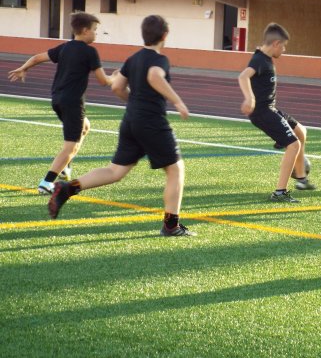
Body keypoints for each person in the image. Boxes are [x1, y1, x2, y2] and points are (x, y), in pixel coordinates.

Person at [48, 15, 196, 237]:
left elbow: (117, 86)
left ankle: (68, 188)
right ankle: (171, 225)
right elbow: (155, 76)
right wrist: (177, 101)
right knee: (175, 170)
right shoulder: (159, 59)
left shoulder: (133, 58)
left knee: (115, 171)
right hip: (152, 122)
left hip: (130, 121)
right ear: (165, 35)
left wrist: (134, 103)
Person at [7, 12, 116, 195]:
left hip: (57, 99)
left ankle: (65, 167)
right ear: (84, 30)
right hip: (73, 103)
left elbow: (36, 58)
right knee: (70, 145)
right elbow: (103, 81)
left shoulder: (65, 47)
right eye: (95, 30)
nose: (96, 34)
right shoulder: (90, 52)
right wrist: (115, 78)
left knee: (85, 126)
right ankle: (47, 182)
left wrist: (23, 68)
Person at [238, 23, 316, 203]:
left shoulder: (264, 58)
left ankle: (301, 179)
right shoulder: (259, 60)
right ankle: (280, 192)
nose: (284, 49)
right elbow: (243, 76)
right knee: (293, 145)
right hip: (262, 112)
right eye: (283, 46)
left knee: (301, 132)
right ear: (276, 43)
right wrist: (249, 98)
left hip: (270, 108)